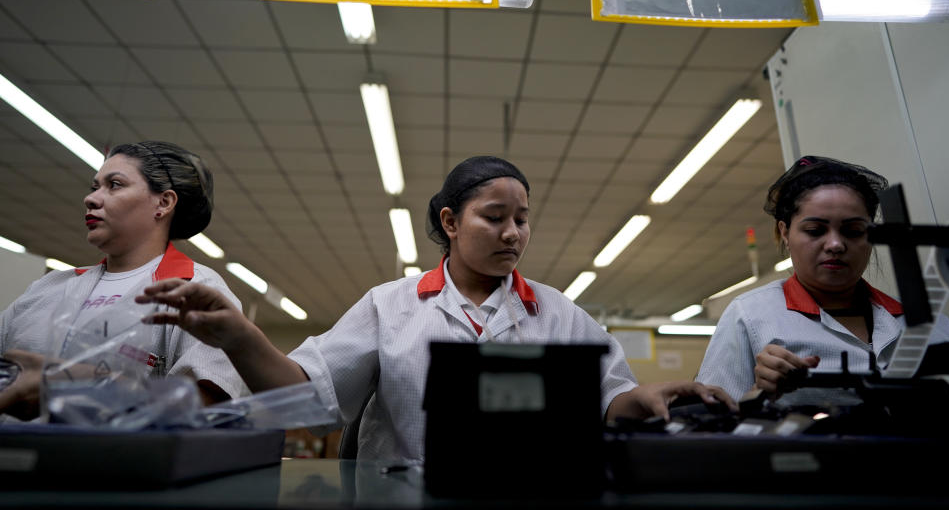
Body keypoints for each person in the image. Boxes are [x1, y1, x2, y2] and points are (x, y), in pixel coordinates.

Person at [135, 155, 735, 462]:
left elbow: (607, 397)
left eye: (522, 220)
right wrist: (239, 336)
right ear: (450, 222)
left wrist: (644, 399)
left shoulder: (557, 313)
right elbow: (310, 397)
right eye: (494, 218)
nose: (512, 234)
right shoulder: (391, 306)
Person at [0, 141, 248, 420]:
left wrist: (63, 393)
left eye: (114, 185)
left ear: (163, 203)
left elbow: (203, 403)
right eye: (95, 187)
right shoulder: (49, 287)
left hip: (119, 461)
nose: (91, 198)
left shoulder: (196, 290)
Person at [696, 155, 949, 401]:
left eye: (854, 231)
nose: (835, 244)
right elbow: (713, 418)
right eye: (815, 230)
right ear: (785, 233)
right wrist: (758, 393)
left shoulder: (936, 328)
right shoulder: (749, 316)